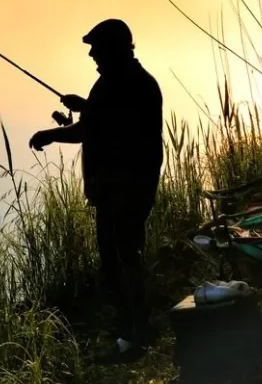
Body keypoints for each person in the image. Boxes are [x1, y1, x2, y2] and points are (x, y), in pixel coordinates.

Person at [28, 18, 164, 359]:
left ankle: (133, 337)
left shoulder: (116, 84)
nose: (91, 54)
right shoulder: (132, 81)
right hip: (130, 185)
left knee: (121, 259)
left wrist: (49, 135)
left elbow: (88, 131)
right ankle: (134, 328)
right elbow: (109, 121)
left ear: (114, 48)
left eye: (96, 48)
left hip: (125, 188)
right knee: (125, 256)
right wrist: (86, 107)